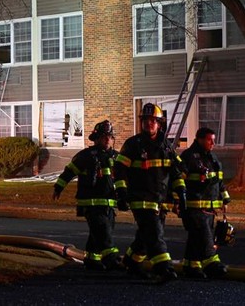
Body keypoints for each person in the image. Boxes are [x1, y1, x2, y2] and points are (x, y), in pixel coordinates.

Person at [114, 103, 186, 282]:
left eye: (152, 120)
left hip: (160, 201)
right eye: (145, 120)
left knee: (146, 235)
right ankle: (164, 268)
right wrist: (122, 193)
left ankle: (131, 261)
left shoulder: (166, 146)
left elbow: (175, 172)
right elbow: (120, 170)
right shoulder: (133, 144)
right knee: (154, 235)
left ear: (159, 124)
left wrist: (181, 193)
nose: (148, 123)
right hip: (140, 199)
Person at [52, 120, 121, 270]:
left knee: (100, 231)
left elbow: (124, 177)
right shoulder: (86, 156)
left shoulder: (116, 157)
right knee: (104, 232)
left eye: (110, 136)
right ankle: (111, 259)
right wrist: (58, 187)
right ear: (96, 138)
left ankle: (91, 259)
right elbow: (69, 172)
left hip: (109, 203)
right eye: (104, 136)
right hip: (91, 204)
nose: (108, 139)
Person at [178, 127, 231, 279]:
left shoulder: (213, 158)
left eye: (213, 140)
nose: (213, 143)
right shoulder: (188, 157)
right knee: (205, 236)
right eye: (209, 140)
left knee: (195, 237)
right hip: (194, 208)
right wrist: (177, 201)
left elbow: (219, 181)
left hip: (209, 208)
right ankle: (212, 262)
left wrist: (225, 198)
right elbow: (179, 181)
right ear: (199, 139)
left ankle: (191, 266)